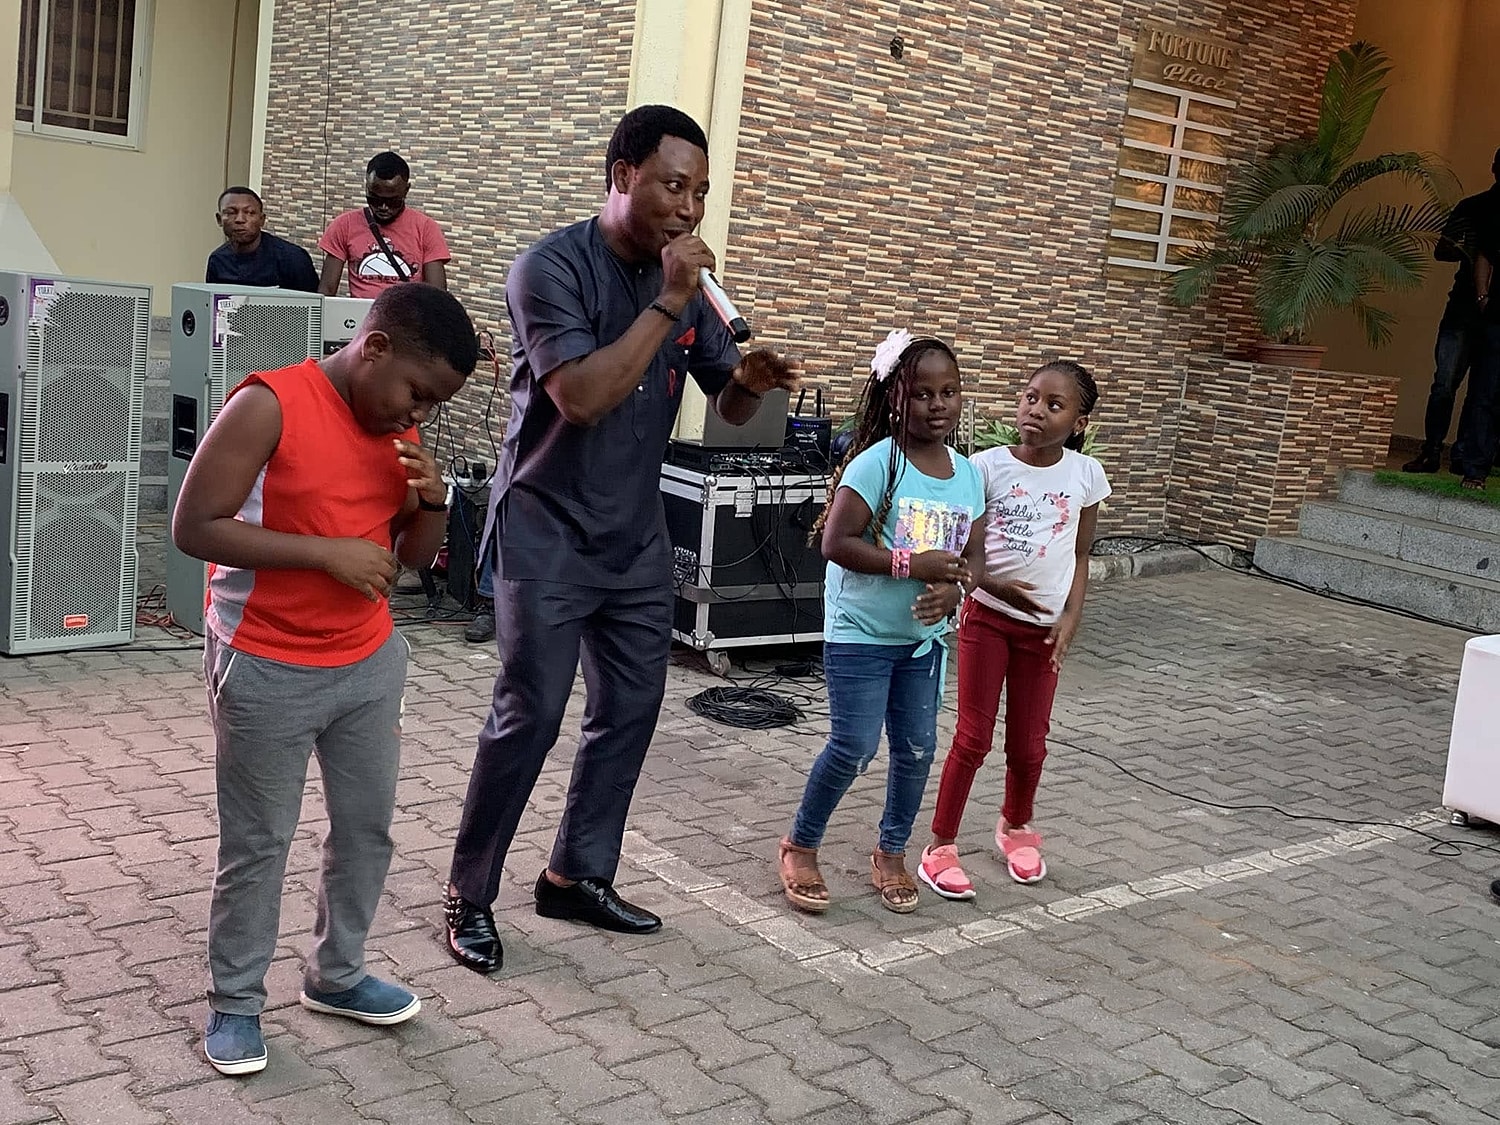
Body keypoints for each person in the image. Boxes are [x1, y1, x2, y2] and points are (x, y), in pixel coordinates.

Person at [442, 105, 798, 973]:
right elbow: (583, 397)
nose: (689, 208)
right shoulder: (549, 269)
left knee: (630, 710)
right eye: (674, 185)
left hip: (634, 537)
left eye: (702, 192)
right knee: (531, 714)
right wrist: (671, 299)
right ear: (621, 175)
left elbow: (729, 403)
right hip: (546, 529)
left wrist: (749, 382)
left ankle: (575, 874)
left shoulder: (691, 291)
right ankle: (470, 892)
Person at [172, 284, 479, 1075]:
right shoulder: (271, 403)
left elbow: (410, 555)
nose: (418, 414)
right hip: (267, 662)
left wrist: (433, 500)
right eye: (417, 391)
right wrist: (324, 552)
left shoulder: (399, 428)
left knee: (365, 827)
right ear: (373, 347)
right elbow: (194, 524)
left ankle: (337, 975)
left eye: (435, 404)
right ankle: (235, 1003)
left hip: (367, 663)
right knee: (258, 842)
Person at [777, 331, 986, 916]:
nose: (938, 404)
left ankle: (892, 852)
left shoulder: (967, 476)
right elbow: (834, 541)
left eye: (950, 391)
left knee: (917, 750)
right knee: (854, 746)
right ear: (894, 395)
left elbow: (975, 554)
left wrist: (953, 588)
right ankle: (800, 845)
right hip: (860, 635)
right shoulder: (877, 463)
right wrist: (909, 564)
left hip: (923, 644)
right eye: (922, 393)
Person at [918, 361, 1109, 898]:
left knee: (1029, 744)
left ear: (1079, 421)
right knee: (973, 736)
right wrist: (995, 593)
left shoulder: (1085, 476)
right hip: (987, 620)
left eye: (1055, 405)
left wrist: (1070, 618)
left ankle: (1016, 827)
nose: (1036, 411)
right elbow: (963, 552)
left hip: (1043, 631)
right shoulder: (984, 469)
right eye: (1030, 397)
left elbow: (1081, 553)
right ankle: (940, 846)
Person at [1403, 148, 1500, 476]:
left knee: (1482, 389)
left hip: (1491, 312)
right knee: (1445, 382)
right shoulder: (1471, 207)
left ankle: (1463, 454)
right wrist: (1469, 249)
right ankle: (1431, 450)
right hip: (1463, 307)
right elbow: (1442, 249)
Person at [317, 152, 450, 298]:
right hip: (363, 318)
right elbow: (327, 291)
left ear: (406, 190)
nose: (384, 207)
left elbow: (437, 296)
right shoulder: (344, 225)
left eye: (393, 201)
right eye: (375, 200)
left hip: (407, 318)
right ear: (367, 187)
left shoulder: (426, 228)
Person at [204, 187, 319, 291]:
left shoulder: (292, 258)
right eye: (231, 212)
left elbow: (314, 307)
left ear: (262, 219)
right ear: (219, 219)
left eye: (249, 213)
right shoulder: (217, 259)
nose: (240, 219)